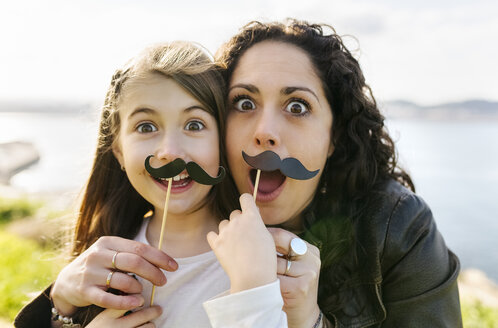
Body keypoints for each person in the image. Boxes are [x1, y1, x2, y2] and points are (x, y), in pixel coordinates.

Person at [14, 41, 287, 328]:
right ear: (118, 150)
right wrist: (59, 304)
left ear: (222, 140)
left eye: (194, 125)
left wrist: (256, 288)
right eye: (146, 127)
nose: (169, 151)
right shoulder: (101, 258)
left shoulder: (266, 261)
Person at [212, 19, 463, 327]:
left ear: (335, 136)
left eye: (297, 107)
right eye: (245, 102)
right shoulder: (186, 224)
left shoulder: (397, 228)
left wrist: (309, 320)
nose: (265, 132)